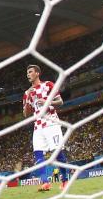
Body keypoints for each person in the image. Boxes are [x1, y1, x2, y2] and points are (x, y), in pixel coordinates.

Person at [22, 64, 69, 192]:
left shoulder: (48, 85)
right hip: (38, 126)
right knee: (38, 153)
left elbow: (60, 102)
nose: (28, 74)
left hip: (51, 123)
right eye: (27, 72)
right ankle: (45, 182)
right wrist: (27, 100)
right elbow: (26, 114)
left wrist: (47, 102)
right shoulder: (27, 93)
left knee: (57, 152)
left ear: (37, 73)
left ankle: (65, 180)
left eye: (30, 72)